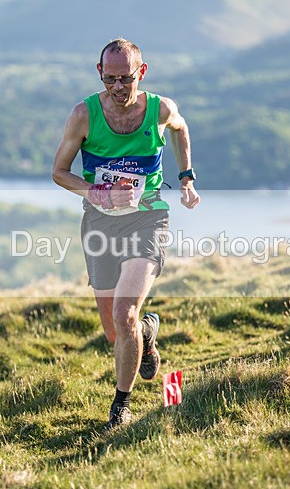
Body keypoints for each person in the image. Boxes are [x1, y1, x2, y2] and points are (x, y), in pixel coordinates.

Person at [52, 38, 200, 429]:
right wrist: (96, 191)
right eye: (111, 78)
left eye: (127, 78)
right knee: (115, 332)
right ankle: (147, 333)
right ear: (100, 73)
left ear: (142, 72)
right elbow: (59, 172)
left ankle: (121, 405)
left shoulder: (159, 109)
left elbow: (181, 130)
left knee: (124, 312)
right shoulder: (83, 115)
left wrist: (185, 177)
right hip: (100, 222)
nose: (119, 87)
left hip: (147, 219)